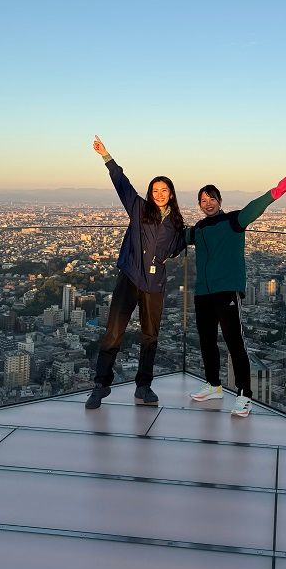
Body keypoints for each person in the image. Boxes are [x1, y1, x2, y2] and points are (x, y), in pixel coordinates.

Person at [186, 171, 286, 417]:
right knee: (206, 340)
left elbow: (255, 207)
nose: (208, 203)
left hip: (226, 289)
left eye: (212, 198)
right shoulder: (198, 228)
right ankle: (214, 385)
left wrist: (281, 188)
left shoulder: (233, 221)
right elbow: (175, 237)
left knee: (233, 341)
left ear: (220, 201)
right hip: (202, 292)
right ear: (199, 205)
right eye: (203, 200)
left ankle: (244, 394)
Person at [85, 135, 185, 409]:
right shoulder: (139, 208)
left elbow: (179, 246)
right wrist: (106, 156)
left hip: (154, 284)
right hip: (130, 278)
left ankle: (144, 385)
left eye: (164, 190)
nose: (159, 194)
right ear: (150, 193)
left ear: (171, 193)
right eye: (155, 190)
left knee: (150, 336)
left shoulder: (176, 223)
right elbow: (122, 183)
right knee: (114, 331)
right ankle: (100, 384)